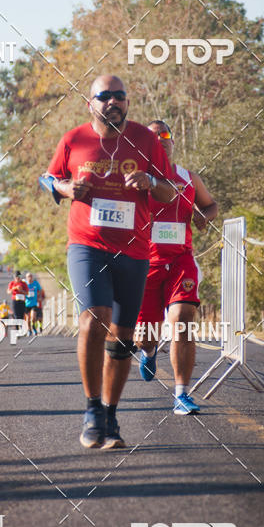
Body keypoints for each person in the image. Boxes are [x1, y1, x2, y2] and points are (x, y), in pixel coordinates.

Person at [46, 74, 174, 450]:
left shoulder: (147, 139)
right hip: (86, 244)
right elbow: (48, 178)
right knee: (92, 318)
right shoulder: (74, 139)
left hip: (134, 249)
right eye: (105, 97)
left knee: (122, 339)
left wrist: (150, 181)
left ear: (127, 102)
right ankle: (91, 411)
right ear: (91, 103)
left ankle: (111, 415)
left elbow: (169, 190)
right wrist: (67, 187)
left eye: (120, 96)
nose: (113, 102)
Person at [136, 120, 218, 414]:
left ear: (173, 141)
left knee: (183, 320)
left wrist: (204, 217)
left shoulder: (189, 178)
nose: (160, 139)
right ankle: (148, 351)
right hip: (144, 263)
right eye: (153, 135)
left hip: (181, 260)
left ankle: (181, 394)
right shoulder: (137, 179)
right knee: (146, 335)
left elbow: (211, 205)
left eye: (165, 134)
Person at [25, 271, 44, 335]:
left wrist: (39, 296)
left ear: (32, 277)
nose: (29, 278)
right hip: (26, 304)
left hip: (34, 303)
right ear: (26, 278)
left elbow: (40, 290)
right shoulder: (25, 284)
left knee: (33, 317)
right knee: (28, 319)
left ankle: (34, 328)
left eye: (30, 276)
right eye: (28, 277)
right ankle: (29, 330)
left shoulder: (35, 283)